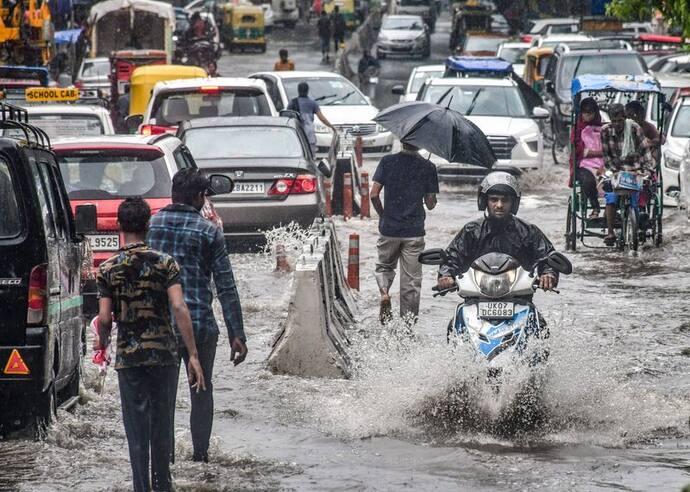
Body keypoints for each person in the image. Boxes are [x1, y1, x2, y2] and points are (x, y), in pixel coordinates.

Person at [96, 197, 206, 492]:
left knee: (136, 435)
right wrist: (193, 355)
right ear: (147, 225)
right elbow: (179, 307)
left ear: (119, 225)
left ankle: (141, 488)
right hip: (164, 357)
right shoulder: (166, 263)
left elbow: (105, 318)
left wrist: (103, 343)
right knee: (161, 428)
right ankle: (163, 486)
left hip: (130, 359)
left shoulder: (108, 269)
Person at [147, 169, 247, 463]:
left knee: (162, 396)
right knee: (201, 391)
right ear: (200, 197)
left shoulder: (152, 225)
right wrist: (236, 333)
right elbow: (226, 285)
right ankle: (200, 457)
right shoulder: (209, 231)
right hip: (200, 324)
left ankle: (164, 461)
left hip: (161, 325)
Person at [437, 171, 558, 294]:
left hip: (519, 296)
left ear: (513, 203)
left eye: (505, 200)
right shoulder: (471, 231)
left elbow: (547, 256)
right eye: (494, 200)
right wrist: (446, 275)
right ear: (485, 202)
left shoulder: (528, 231)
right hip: (476, 295)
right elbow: (452, 257)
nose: (499, 205)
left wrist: (548, 274)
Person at [371, 142, 439, 325]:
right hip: (414, 231)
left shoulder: (387, 161)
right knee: (411, 282)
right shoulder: (428, 166)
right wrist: (430, 195)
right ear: (419, 144)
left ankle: (384, 293)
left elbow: (373, 194)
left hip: (389, 229)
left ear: (402, 140)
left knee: (384, 267)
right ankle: (407, 327)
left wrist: (382, 216)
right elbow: (430, 203)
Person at [600, 103, 656, 245]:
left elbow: (645, 152)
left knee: (635, 199)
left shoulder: (634, 128)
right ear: (610, 120)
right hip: (615, 171)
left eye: (620, 120)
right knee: (611, 198)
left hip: (634, 170)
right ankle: (611, 232)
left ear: (625, 118)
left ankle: (636, 225)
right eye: (614, 121)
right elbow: (606, 157)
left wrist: (648, 170)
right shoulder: (605, 131)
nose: (617, 124)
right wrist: (614, 171)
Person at [570, 97, 604, 219]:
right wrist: (600, 153)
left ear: (595, 112)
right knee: (587, 180)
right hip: (583, 165)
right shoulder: (577, 129)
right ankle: (595, 207)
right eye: (585, 111)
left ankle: (612, 210)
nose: (587, 114)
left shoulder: (603, 129)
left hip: (604, 164)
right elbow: (580, 152)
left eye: (591, 111)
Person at [287, 81, 336, 154]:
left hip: (296, 132)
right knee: (311, 154)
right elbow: (322, 118)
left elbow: (287, 116)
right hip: (309, 134)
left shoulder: (292, 102)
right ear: (307, 91)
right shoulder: (312, 103)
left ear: (298, 90)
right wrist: (331, 127)